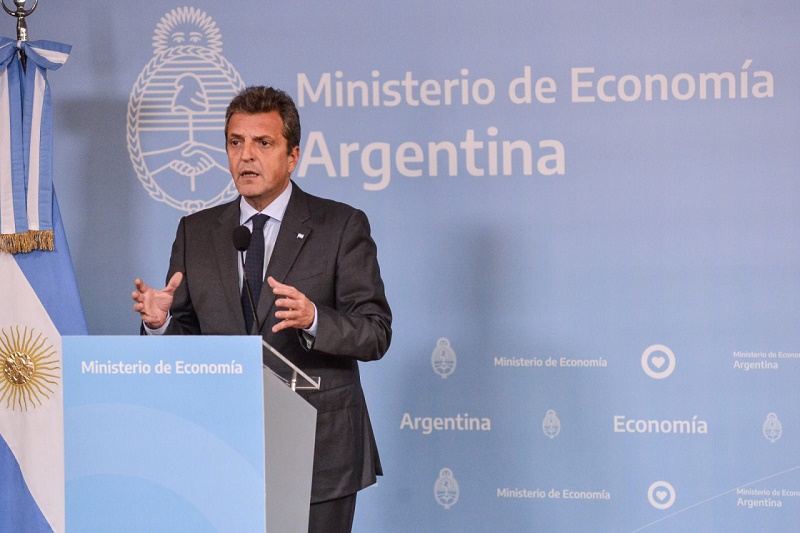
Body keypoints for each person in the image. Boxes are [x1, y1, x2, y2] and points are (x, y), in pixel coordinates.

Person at [132, 86, 392, 533]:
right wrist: (160, 324)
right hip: (224, 447)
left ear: (293, 156)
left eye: (263, 143)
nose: (246, 155)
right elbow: (188, 340)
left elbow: (375, 332)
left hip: (318, 450)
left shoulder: (340, 225)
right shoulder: (196, 231)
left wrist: (315, 319)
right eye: (236, 142)